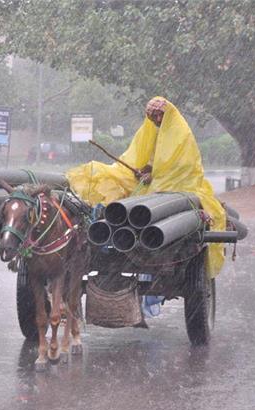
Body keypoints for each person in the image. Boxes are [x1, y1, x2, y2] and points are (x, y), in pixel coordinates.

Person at [67, 96, 226, 278]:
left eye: (160, 116)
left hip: (176, 189)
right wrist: (143, 170)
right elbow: (146, 158)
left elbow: (182, 167)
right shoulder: (152, 132)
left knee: (140, 203)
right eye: (153, 117)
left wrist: (155, 176)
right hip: (151, 188)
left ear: (168, 114)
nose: (157, 120)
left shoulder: (182, 134)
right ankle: (101, 239)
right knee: (107, 179)